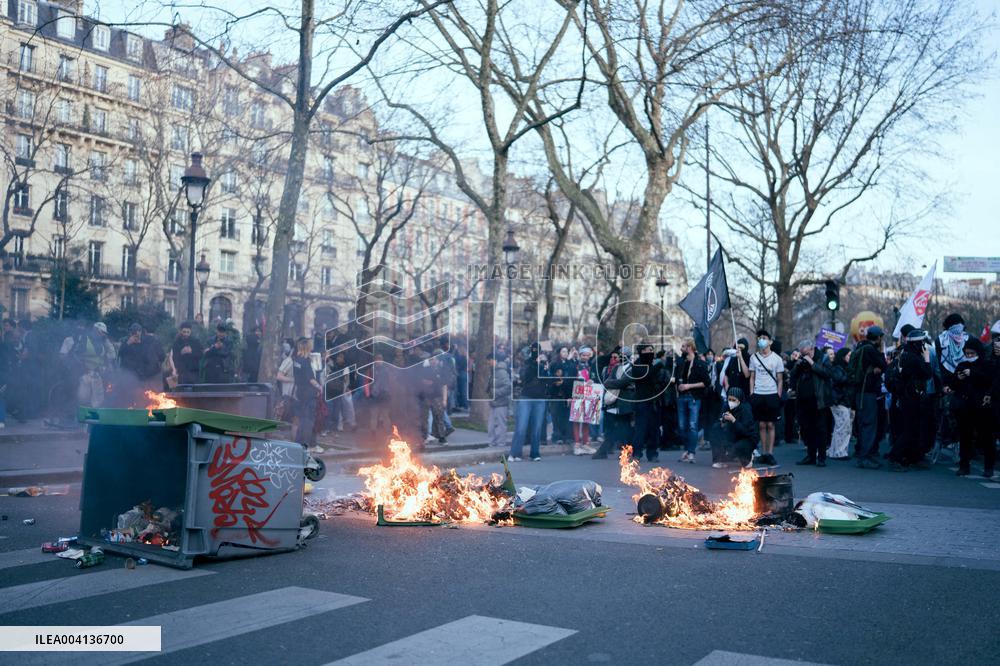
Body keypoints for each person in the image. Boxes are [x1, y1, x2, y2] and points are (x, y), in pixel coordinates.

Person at [887, 328, 934, 471]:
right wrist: (926, 359)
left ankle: (911, 457)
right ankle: (895, 458)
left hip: (906, 396)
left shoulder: (904, 353)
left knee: (912, 429)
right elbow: (927, 374)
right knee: (909, 430)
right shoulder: (913, 357)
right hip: (911, 397)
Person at [947, 338, 992, 478]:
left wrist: (972, 374)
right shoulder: (962, 365)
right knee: (965, 437)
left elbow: (989, 380)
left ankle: (988, 467)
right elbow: (953, 384)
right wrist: (958, 378)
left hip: (982, 406)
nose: (969, 356)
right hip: (965, 407)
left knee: (985, 437)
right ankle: (964, 466)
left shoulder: (986, 365)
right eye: (967, 353)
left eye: (972, 353)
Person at [790, 340, 833, 467]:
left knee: (820, 429)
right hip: (803, 400)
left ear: (812, 349)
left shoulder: (823, 358)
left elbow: (827, 374)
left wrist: (812, 363)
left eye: (806, 353)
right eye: (803, 354)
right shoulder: (802, 359)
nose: (805, 355)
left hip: (818, 400)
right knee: (807, 429)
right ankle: (811, 455)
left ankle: (821, 457)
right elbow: (793, 376)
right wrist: (797, 365)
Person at [745, 329, 784, 466]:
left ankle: (770, 453)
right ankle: (763, 453)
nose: (761, 340)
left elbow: (780, 379)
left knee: (770, 424)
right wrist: (752, 393)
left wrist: (778, 395)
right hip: (758, 393)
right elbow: (752, 377)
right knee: (761, 424)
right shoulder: (753, 358)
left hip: (772, 394)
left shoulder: (777, 359)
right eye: (759, 338)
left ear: (770, 341)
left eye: (764, 338)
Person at [854, 325, 888, 469]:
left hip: (861, 392)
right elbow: (884, 365)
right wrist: (880, 353)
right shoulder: (870, 349)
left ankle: (864, 455)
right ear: (878, 338)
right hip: (867, 393)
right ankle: (865, 457)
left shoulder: (860, 346)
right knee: (869, 425)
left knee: (864, 424)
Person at [509, 344, 548, 461]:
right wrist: (534, 363)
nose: (536, 353)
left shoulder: (544, 364)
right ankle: (515, 453)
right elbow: (525, 377)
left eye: (538, 351)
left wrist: (545, 368)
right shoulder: (527, 363)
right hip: (526, 397)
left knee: (537, 427)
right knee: (521, 426)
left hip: (540, 399)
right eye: (534, 351)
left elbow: (547, 381)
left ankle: (535, 453)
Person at [676, 339, 709, 464]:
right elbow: (677, 377)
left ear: (690, 347)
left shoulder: (700, 363)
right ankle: (686, 449)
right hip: (681, 396)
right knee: (682, 425)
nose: (681, 348)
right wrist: (678, 385)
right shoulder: (681, 362)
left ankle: (691, 452)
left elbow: (706, 382)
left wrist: (689, 386)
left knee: (692, 425)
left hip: (693, 397)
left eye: (683, 346)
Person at [117, 323, 165, 402]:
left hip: (150, 375)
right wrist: (128, 343)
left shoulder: (149, 342)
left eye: (138, 332)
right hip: (133, 377)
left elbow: (161, 356)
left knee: (152, 399)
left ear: (142, 332)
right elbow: (120, 354)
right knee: (136, 399)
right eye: (134, 333)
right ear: (130, 333)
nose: (136, 335)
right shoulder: (126, 343)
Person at [713, 387, 756, 468]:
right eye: (729, 399)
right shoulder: (726, 406)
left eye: (734, 400)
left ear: (739, 400)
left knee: (738, 451)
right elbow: (720, 421)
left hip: (747, 438)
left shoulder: (746, 409)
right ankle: (719, 459)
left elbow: (746, 431)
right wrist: (722, 421)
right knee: (715, 428)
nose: (731, 402)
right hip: (732, 434)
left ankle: (748, 458)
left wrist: (733, 420)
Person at [290, 337, 321, 447]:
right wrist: (320, 387)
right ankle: (303, 444)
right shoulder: (306, 361)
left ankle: (310, 443)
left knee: (303, 418)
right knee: (308, 419)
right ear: (307, 347)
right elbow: (311, 379)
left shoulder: (296, 359)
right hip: (309, 393)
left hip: (300, 391)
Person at [827, 347, 854, 460]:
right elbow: (841, 380)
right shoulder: (838, 368)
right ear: (843, 357)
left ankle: (835, 451)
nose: (850, 357)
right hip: (838, 401)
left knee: (842, 426)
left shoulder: (842, 368)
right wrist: (850, 374)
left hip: (842, 401)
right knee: (843, 427)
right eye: (848, 355)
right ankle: (839, 452)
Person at [488, 353, 511, 448]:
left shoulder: (501, 372)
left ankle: (500, 444)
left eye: (489, 361)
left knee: (500, 425)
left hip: (501, 402)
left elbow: (508, 387)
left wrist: (495, 392)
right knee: (491, 425)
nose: (488, 363)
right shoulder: (494, 371)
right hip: (494, 402)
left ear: (494, 360)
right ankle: (493, 443)